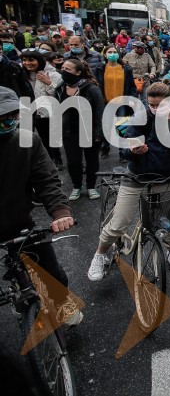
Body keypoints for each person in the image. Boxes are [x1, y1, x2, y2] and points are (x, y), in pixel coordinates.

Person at [88, 82, 170, 280]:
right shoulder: (140, 117)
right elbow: (125, 150)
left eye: (160, 106)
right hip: (137, 177)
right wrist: (134, 151)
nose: (155, 109)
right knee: (119, 223)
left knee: (169, 221)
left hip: (169, 177)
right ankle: (100, 254)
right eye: (151, 105)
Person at [0, 87, 82, 327]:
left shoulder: (27, 140)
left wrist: (60, 212)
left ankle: (62, 303)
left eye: (12, 115)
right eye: (2, 117)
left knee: (51, 271)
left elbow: (46, 179)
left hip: (18, 221)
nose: (9, 121)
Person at [55, 58, 105, 201]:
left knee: (91, 160)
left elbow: (100, 112)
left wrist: (98, 133)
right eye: (63, 68)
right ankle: (77, 186)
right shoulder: (59, 89)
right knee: (73, 162)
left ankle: (91, 186)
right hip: (70, 132)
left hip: (89, 131)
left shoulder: (92, 89)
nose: (63, 71)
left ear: (78, 72)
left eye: (68, 69)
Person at [19, 49, 62, 167]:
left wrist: (49, 83)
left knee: (49, 138)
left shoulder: (52, 74)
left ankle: (55, 159)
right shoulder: (21, 74)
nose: (27, 63)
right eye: (24, 60)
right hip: (28, 111)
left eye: (31, 60)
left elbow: (57, 94)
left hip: (46, 112)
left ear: (39, 60)